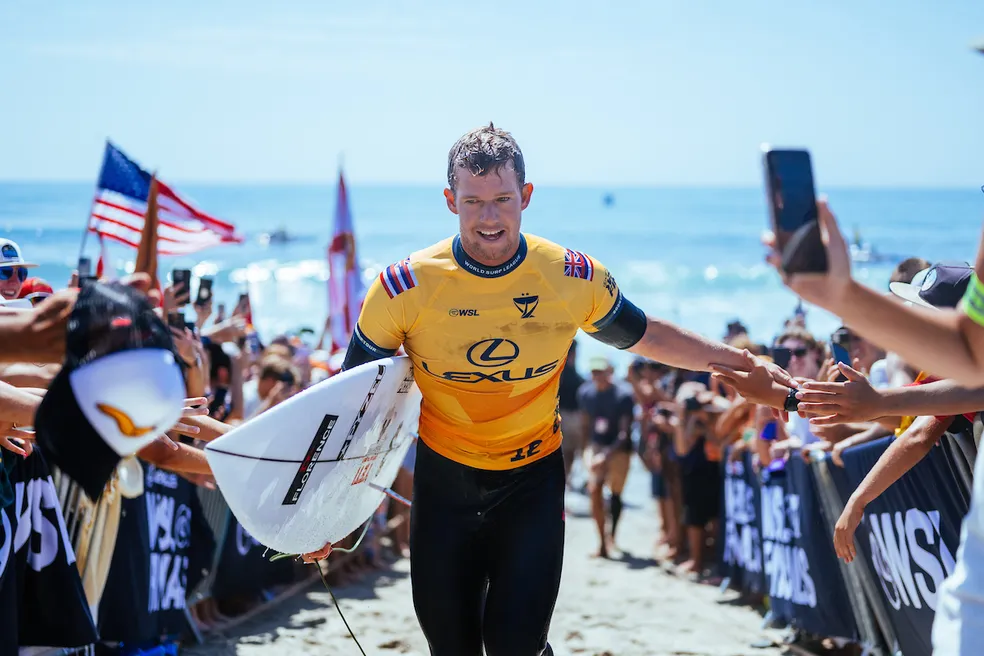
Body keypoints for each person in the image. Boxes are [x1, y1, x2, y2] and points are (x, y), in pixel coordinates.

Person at [302, 123, 797, 656]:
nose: (489, 218)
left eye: (502, 200)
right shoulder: (405, 286)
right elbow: (354, 402)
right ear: (450, 200)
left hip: (531, 483)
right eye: (473, 202)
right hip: (446, 485)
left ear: (526, 197)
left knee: (517, 644)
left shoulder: (569, 276)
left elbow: (646, 334)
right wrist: (325, 512)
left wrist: (743, 365)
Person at [577, 356, 635, 558]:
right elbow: (586, 424)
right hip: (597, 444)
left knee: (616, 494)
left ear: (609, 372)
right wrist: (585, 450)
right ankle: (602, 543)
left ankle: (612, 536)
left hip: (619, 449)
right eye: (593, 372)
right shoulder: (586, 393)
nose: (596, 376)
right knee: (594, 490)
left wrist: (606, 454)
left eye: (600, 372)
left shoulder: (623, 395)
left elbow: (624, 432)